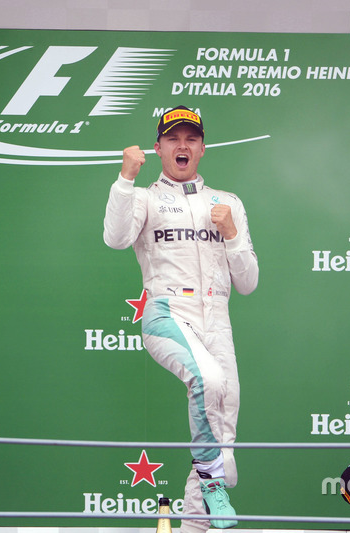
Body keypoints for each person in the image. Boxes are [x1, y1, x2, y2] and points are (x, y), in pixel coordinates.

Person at [104, 106, 258, 532]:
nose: (182, 145)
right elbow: (115, 239)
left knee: (222, 428)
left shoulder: (228, 203)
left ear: (203, 148)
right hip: (168, 312)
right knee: (208, 383)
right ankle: (211, 484)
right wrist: (125, 179)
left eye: (191, 138)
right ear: (158, 149)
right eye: (173, 138)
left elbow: (248, 282)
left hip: (218, 318)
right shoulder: (144, 197)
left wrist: (232, 235)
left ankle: (195, 523)